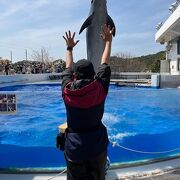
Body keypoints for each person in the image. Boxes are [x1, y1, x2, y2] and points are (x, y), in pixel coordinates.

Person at [61, 24, 114, 180]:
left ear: (75, 77)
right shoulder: (100, 88)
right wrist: (108, 41)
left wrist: (69, 49)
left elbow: (68, 68)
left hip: (74, 147)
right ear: (93, 74)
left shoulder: (67, 90)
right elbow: (104, 64)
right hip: (97, 146)